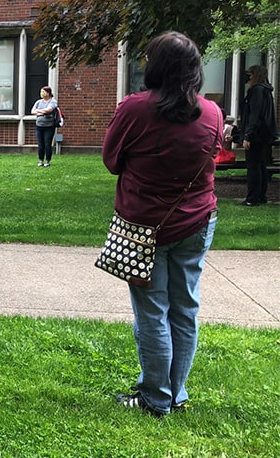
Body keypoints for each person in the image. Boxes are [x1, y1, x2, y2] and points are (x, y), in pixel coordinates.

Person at [102, 31, 222, 417]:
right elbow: (211, 161)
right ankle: (176, 394)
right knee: (185, 309)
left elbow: (111, 161)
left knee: (153, 312)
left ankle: (156, 398)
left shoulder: (134, 109)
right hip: (197, 222)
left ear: (154, 66)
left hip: (143, 228)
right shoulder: (213, 113)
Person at [239, 65, 277, 206]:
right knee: (260, 164)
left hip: (256, 134)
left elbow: (254, 115)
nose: (248, 77)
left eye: (250, 74)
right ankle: (260, 195)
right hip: (265, 133)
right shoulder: (266, 91)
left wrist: (247, 135)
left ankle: (252, 198)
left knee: (253, 165)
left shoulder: (256, 91)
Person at [30, 86, 58, 167]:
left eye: (43, 92)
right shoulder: (38, 102)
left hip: (49, 126)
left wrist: (38, 112)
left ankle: (47, 161)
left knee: (47, 144)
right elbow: (32, 111)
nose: (42, 93)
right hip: (39, 126)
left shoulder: (53, 101)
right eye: (41, 92)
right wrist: (42, 112)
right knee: (40, 144)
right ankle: (40, 160)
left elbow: (49, 110)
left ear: (48, 93)